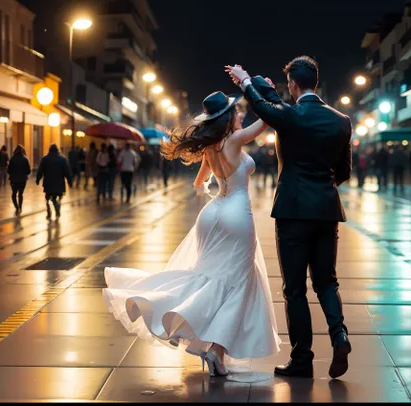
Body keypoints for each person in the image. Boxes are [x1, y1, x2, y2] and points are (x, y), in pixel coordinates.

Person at [103, 90, 280, 378]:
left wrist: (211, 193)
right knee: (240, 281)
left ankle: (215, 350)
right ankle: (215, 348)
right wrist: (260, 89)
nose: (239, 115)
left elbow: (200, 183)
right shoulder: (234, 141)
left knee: (209, 276)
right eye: (236, 112)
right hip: (236, 213)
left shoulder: (211, 147)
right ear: (228, 118)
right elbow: (265, 122)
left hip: (211, 214)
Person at [227, 57, 352, 379]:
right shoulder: (342, 121)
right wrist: (322, 189)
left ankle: (302, 360)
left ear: (292, 86)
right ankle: (340, 335)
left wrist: (244, 81)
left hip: (293, 212)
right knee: (327, 281)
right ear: (317, 83)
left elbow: (262, 105)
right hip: (326, 210)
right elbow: (345, 172)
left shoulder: (291, 116)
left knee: (295, 289)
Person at [36, 144, 73, 220]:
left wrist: (37, 179)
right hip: (59, 184)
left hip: (48, 184)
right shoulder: (63, 159)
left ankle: (49, 210)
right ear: (57, 150)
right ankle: (57, 208)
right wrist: (70, 182)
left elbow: (40, 171)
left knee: (48, 198)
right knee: (58, 197)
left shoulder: (45, 159)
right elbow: (67, 172)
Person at [6, 144, 31, 214]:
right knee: (20, 194)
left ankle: (16, 207)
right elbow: (28, 171)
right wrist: (24, 174)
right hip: (23, 180)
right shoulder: (25, 159)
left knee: (14, 194)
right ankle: (20, 207)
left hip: (14, 180)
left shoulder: (12, 159)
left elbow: (9, 170)